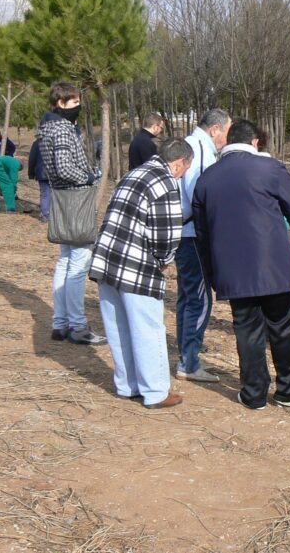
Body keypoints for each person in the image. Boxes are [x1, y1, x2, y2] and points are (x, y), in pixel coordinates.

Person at [192, 119, 290, 410]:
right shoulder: (270, 169)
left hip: (233, 273)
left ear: (226, 142)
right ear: (256, 142)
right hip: (274, 267)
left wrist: (213, 275)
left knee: (247, 331)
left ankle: (253, 394)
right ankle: (289, 392)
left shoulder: (208, 178)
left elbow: (202, 234)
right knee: (283, 329)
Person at [89, 137, 194, 409]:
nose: (183, 175)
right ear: (179, 163)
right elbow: (167, 234)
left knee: (118, 327)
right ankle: (156, 391)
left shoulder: (135, 173)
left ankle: (128, 385)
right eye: (186, 169)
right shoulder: (166, 183)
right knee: (148, 328)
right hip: (136, 265)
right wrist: (164, 260)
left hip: (107, 260)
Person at [38, 81, 105, 346]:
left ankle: (60, 323)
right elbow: (65, 168)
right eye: (74, 102)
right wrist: (89, 177)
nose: (78, 106)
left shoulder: (47, 128)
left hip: (61, 198)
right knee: (78, 264)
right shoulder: (63, 129)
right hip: (75, 199)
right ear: (60, 103)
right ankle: (77, 326)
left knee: (66, 261)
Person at [174, 108, 233, 383]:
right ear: (215, 130)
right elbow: (199, 193)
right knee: (198, 299)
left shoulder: (192, 144)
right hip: (192, 235)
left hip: (187, 234)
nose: (227, 138)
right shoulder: (199, 149)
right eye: (227, 131)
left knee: (189, 298)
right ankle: (189, 361)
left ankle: (187, 357)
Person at [28, 133, 50, 222]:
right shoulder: (54, 142)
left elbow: (32, 159)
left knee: (44, 193)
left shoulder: (37, 143)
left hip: (41, 172)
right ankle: (50, 213)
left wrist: (31, 173)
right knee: (52, 193)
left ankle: (45, 214)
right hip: (53, 172)